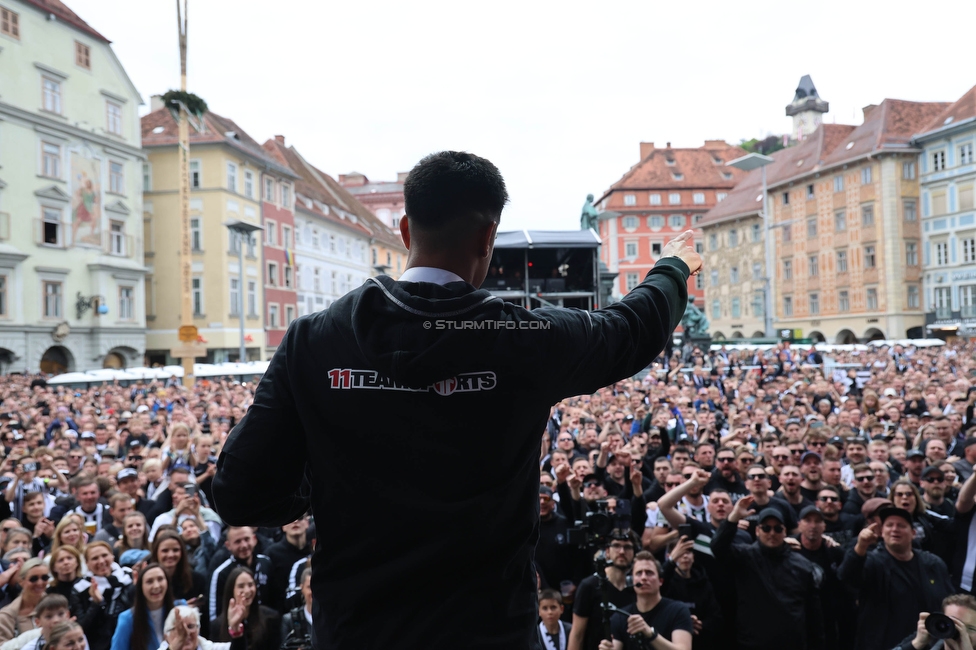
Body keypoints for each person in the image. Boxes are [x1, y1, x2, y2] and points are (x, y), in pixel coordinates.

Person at [212, 151, 700, 648]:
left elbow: (240, 492)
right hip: (489, 634)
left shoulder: (313, 341)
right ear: (488, 238)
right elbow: (630, 330)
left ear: (405, 230)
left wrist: (328, 482)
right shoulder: (524, 342)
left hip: (358, 634)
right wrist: (673, 267)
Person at [711, 495, 825, 650]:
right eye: (766, 528)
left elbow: (814, 615)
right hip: (752, 643)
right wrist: (733, 518)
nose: (772, 533)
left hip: (793, 643)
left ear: (785, 532)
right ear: (757, 531)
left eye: (778, 528)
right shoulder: (745, 556)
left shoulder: (802, 565)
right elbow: (718, 547)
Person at [838, 506, 953, 650]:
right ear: (881, 532)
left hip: (927, 643)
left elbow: (949, 602)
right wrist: (861, 547)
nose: (894, 529)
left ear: (913, 533)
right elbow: (846, 577)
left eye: (901, 525)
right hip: (883, 644)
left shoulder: (932, 563)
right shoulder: (873, 562)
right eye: (889, 525)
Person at [597, 551, 693, 650]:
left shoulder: (678, 610)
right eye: (639, 573)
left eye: (649, 573)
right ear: (631, 581)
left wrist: (651, 634)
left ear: (660, 581)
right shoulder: (620, 617)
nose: (643, 578)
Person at [568, 532, 637, 650]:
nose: (621, 551)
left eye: (627, 547)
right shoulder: (589, 585)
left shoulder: (636, 586)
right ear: (607, 551)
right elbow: (577, 635)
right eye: (616, 546)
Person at [72, 542, 133, 650]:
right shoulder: (80, 588)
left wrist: (135, 588)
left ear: (112, 556)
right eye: (95, 558)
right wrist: (96, 603)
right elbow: (81, 628)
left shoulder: (129, 577)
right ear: (87, 563)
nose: (101, 561)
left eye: (104, 555)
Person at [207, 527, 271, 623]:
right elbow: (214, 615)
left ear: (254, 539)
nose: (244, 545)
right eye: (237, 542)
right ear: (228, 545)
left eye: (246, 539)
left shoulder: (266, 563)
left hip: (265, 626)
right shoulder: (221, 573)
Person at [110, 563, 177, 650]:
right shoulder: (127, 619)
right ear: (141, 587)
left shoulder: (179, 609)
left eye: (160, 579)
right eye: (149, 581)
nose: (156, 586)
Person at [149, 531, 206, 631]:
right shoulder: (148, 581)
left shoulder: (197, 580)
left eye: (175, 550)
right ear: (156, 553)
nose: (170, 555)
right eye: (165, 551)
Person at [214, 567, 279, 650]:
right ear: (231, 590)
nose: (247, 591)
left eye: (251, 585)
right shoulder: (217, 625)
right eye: (241, 586)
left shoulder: (270, 617)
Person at [896, 593, 976, 650]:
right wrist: (917, 644)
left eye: (970, 628)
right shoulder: (930, 640)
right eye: (953, 625)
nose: (961, 633)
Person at [0, 560, 49, 643]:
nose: (40, 583)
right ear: (21, 581)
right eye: (33, 579)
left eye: (44, 578)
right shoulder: (7, 616)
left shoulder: (57, 606)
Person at [160, 604, 247, 650]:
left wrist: (236, 631)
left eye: (191, 626)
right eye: (180, 628)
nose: (187, 632)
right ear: (166, 635)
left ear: (198, 629)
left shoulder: (208, 648)